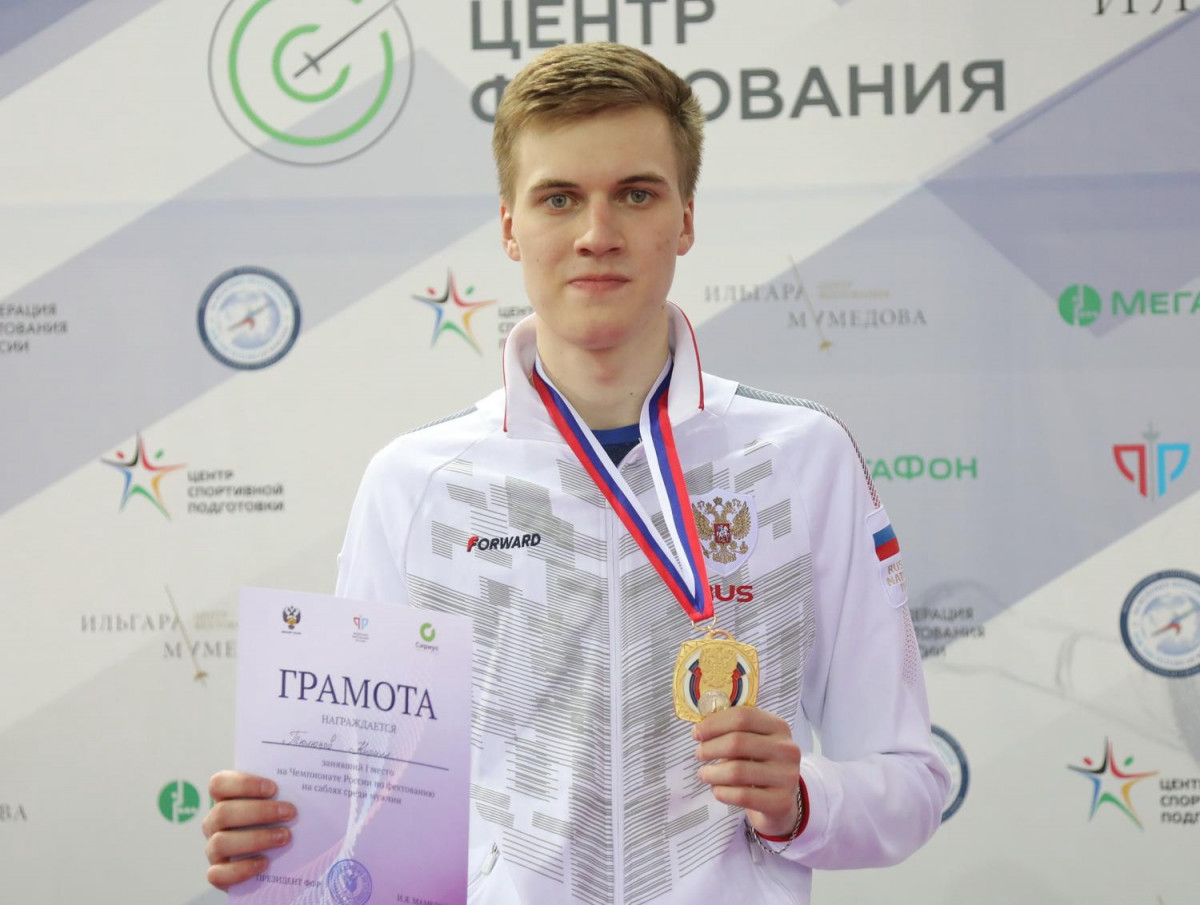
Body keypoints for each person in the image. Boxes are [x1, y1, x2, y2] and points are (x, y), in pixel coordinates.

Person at [202, 42, 949, 904]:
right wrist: (284, 836)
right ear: (510, 226)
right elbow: (366, 805)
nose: (598, 234)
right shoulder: (417, 482)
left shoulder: (798, 457)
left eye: (636, 193)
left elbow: (910, 784)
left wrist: (802, 798)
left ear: (686, 219)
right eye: (559, 198)